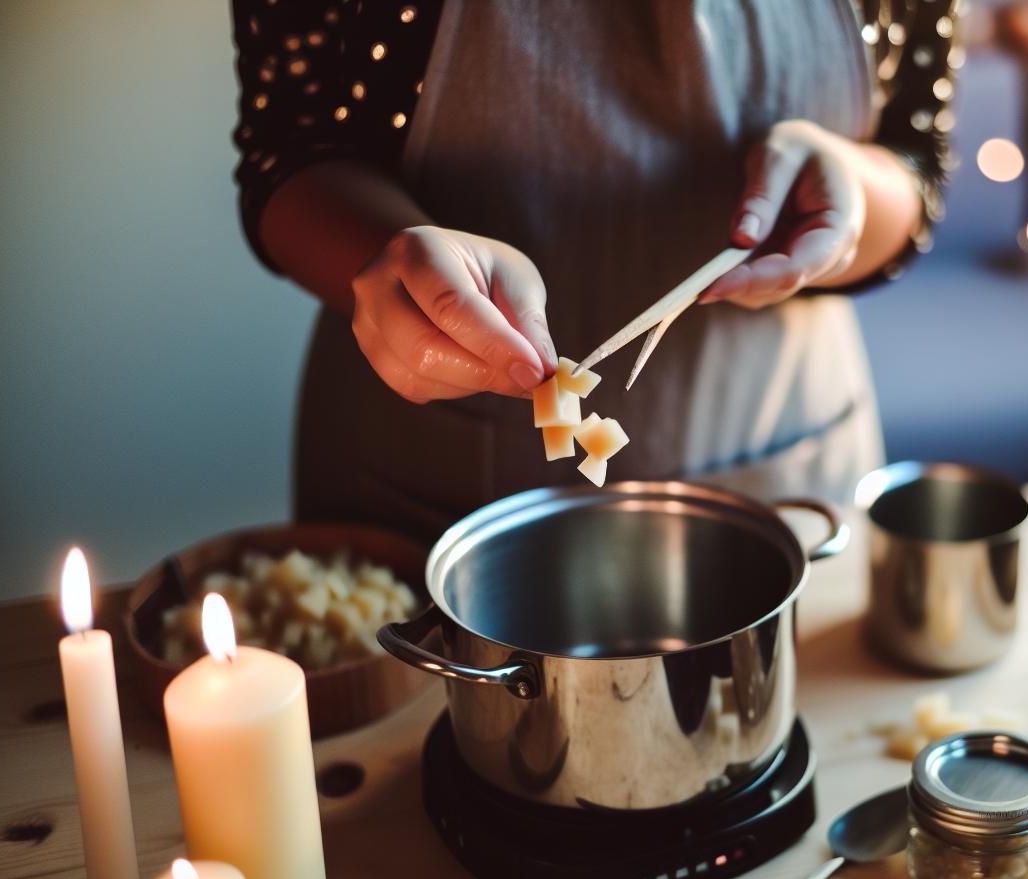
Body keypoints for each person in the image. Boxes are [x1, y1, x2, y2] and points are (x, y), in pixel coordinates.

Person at [230, 0, 956, 538]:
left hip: (782, 465)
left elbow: (918, 159)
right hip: (423, 493)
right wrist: (386, 253)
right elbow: (287, 146)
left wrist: (853, 191)